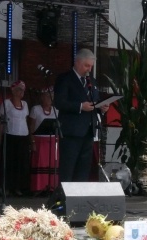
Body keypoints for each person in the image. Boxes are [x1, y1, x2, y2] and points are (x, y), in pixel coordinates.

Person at [54, 48, 102, 183]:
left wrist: (101, 108)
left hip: (89, 130)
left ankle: (80, 198)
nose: (89, 69)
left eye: (91, 66)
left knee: (84, 169)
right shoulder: (65, 78)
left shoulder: (91, 80)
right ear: (77, 62)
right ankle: (64, 198)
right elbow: (59, 102)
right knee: (68, 168)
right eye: (87, 65)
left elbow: (94, 101)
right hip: (71, 131)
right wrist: (80, 106)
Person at [1, 80, 31, 196]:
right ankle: (7, 187)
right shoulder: (6, 103)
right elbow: (2, 121)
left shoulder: (25, 104)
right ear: (13, 91)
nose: (21, 92)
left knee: (21, 163)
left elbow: (26, 120)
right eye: (19, 89)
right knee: (9, 163)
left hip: (23, 136)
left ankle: (18, 187)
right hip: (10, 135)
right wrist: (0, 139)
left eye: (23, 89)